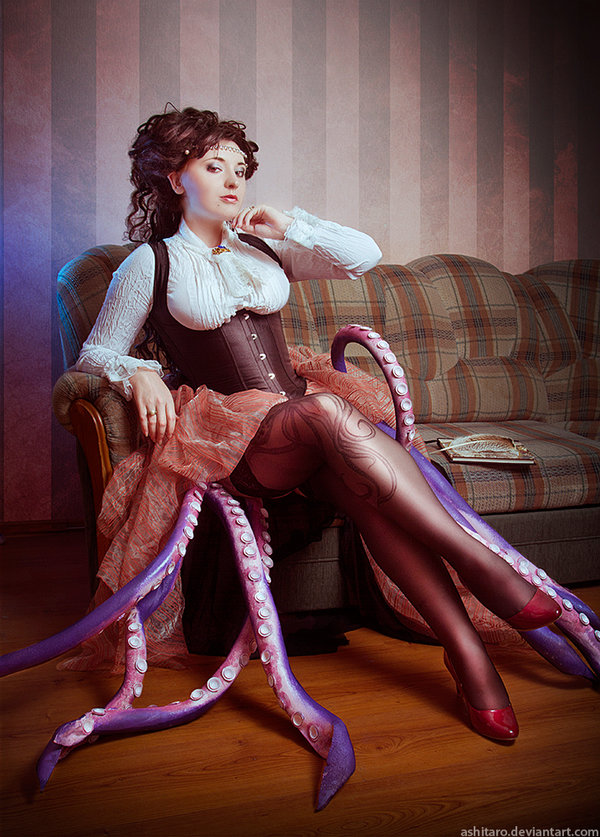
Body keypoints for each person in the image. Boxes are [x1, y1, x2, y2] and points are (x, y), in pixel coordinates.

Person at [72, 106, 562, 742]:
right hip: (235, 439)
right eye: (214, 166)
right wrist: (138, 372)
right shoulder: (151, 263)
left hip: (305, 420)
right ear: (173, 178)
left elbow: (363, 255)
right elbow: (94, 353)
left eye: (240, 169)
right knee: (329, 410)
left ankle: (469, 658)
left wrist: (290, 224)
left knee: (370, 496)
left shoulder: (263, 249)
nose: (233, 180)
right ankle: (484, 566)